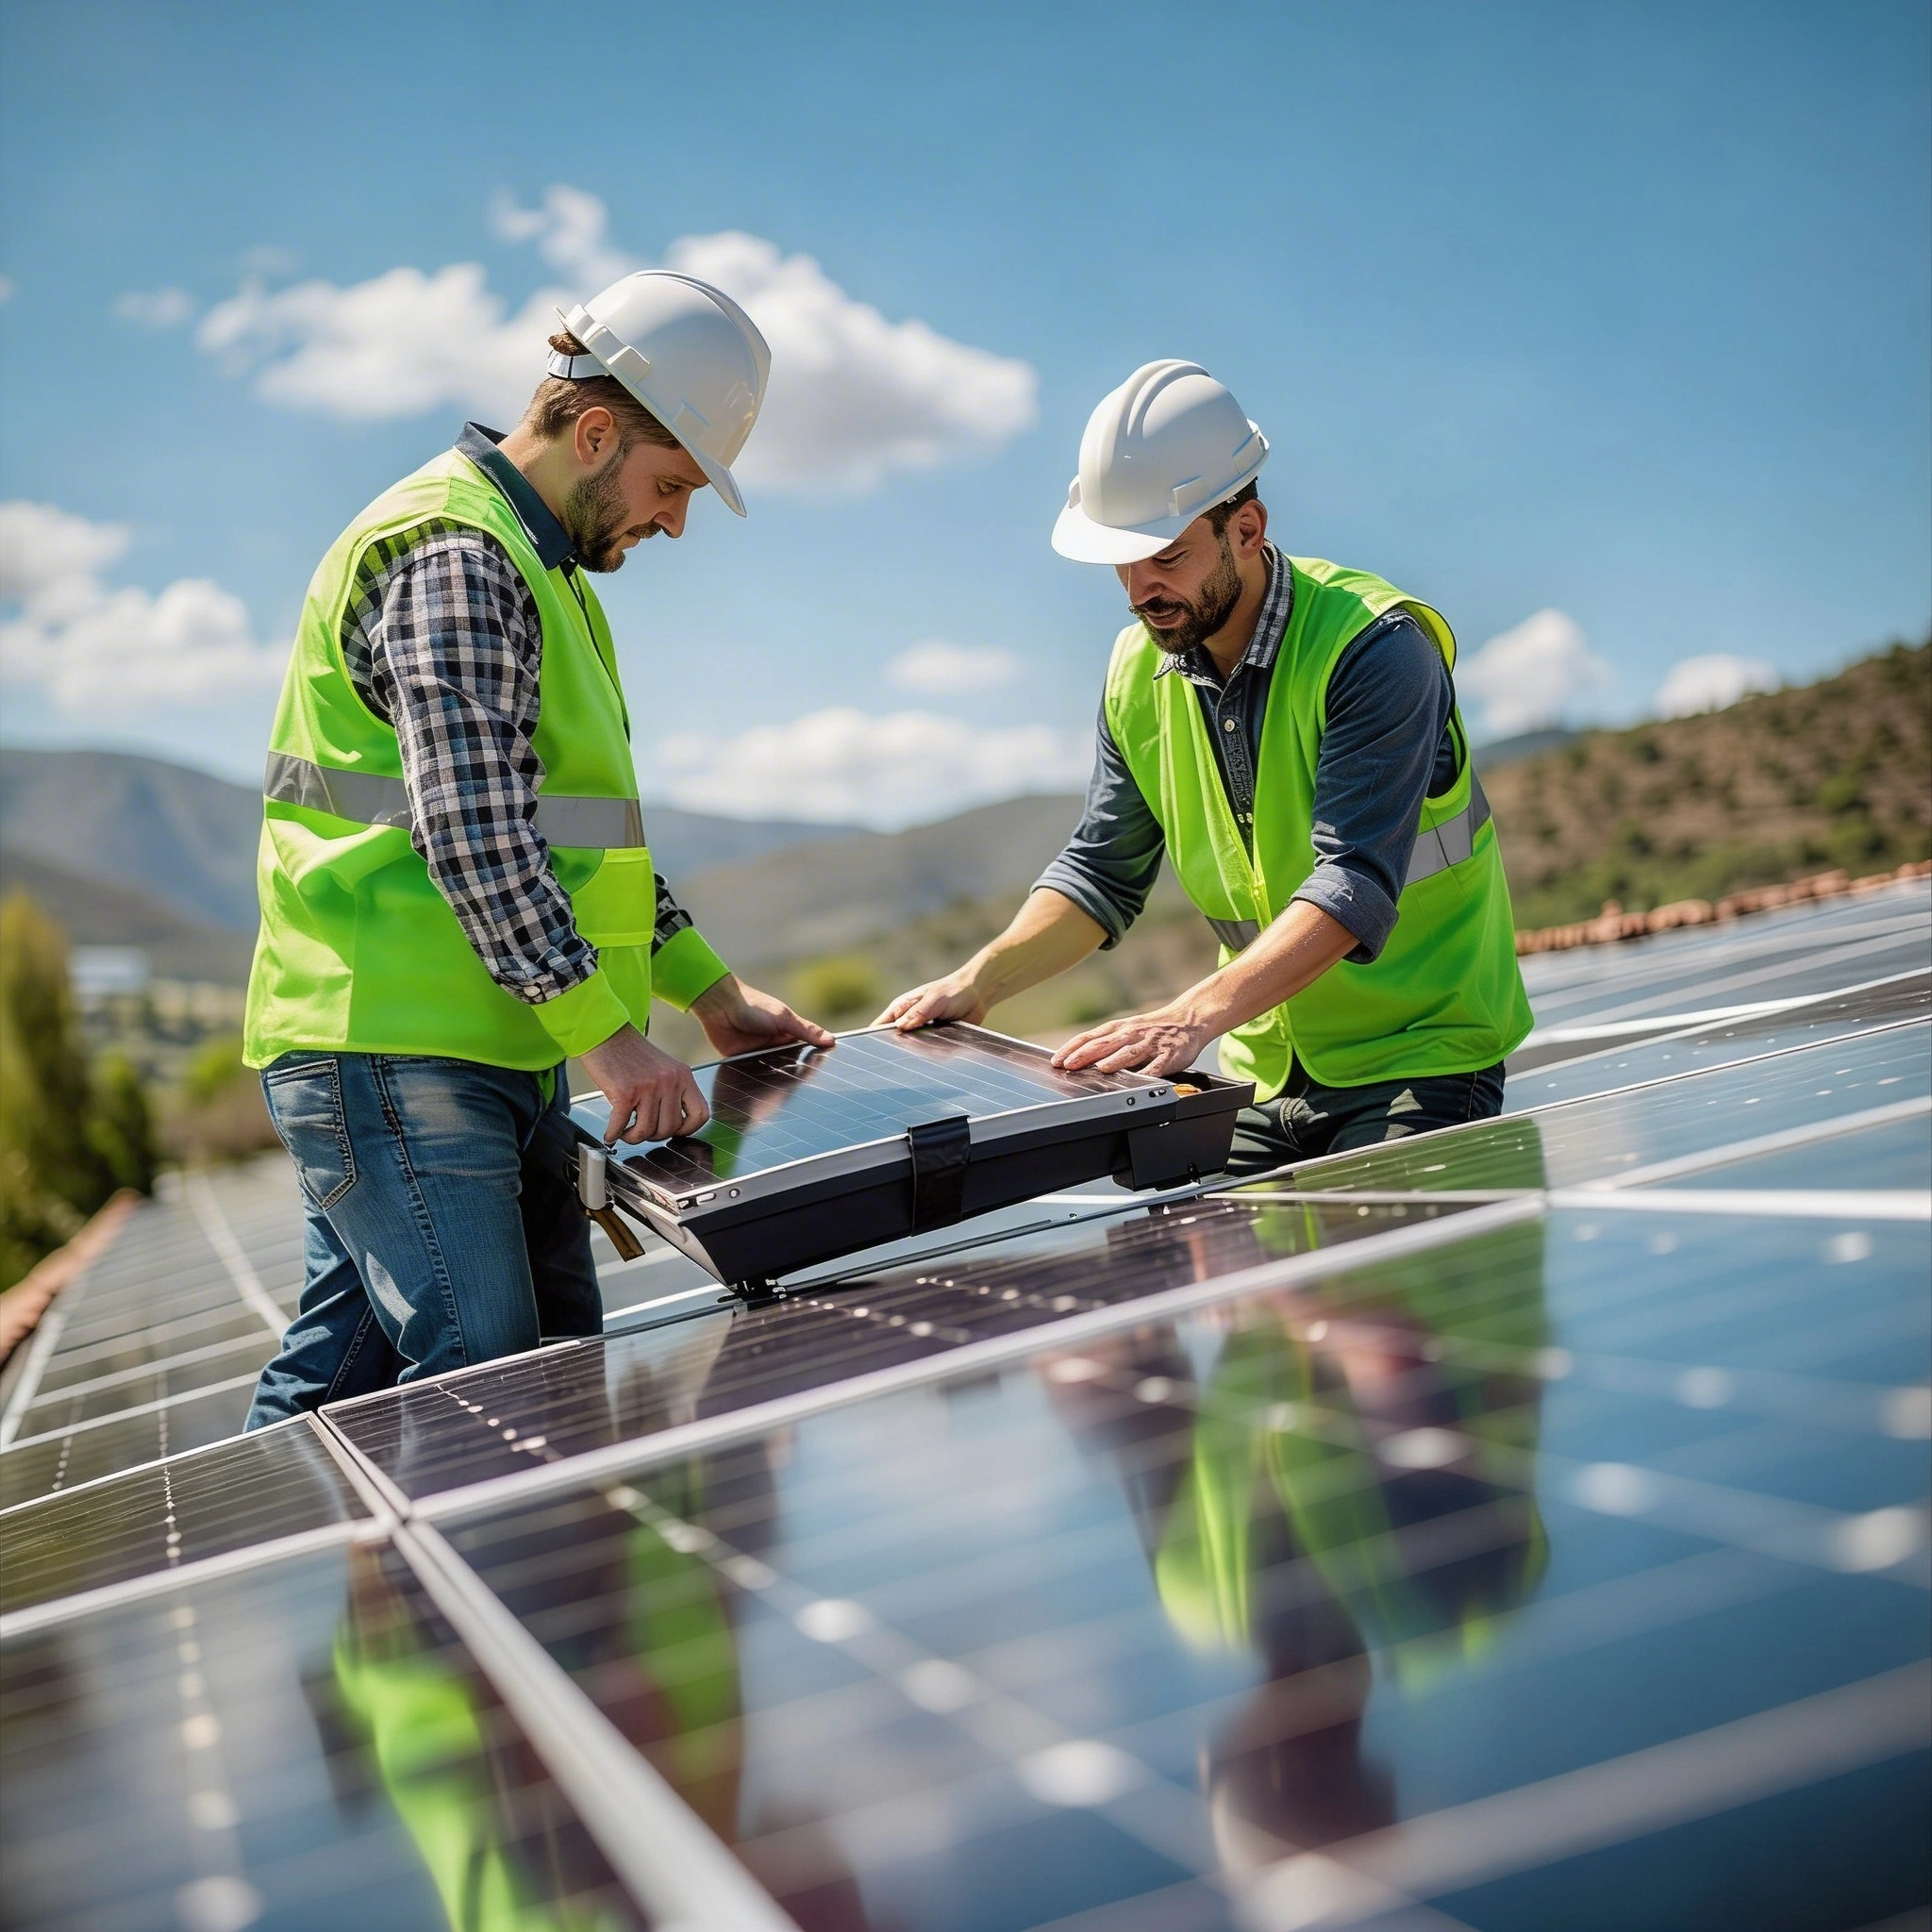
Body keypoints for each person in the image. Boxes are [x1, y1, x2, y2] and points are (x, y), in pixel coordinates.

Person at [243, 269, 830, 1426]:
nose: (673, 519)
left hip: (476, 1047)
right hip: (397, 1050)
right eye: (671, 485)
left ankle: (286, 1596)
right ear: (595, 430)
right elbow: (471, 830)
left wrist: (711, 994)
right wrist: (611, 1043)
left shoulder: (540, 572)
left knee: (407, 1385)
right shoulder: (459, 556)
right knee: (496, 1391)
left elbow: (577, 845)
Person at [880, 359, 1533, 1175]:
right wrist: (978, 984)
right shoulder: (1134, 673)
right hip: (1261, 1076)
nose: (1136, 590)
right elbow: (1101, 875)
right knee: (1230, 1289)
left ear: (1247, 531)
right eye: (1119, 563)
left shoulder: (1376, 646)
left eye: (1164, 557)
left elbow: (1354, 883)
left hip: (1422, 1061)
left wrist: (1189, 1019)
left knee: (1381, 1288)